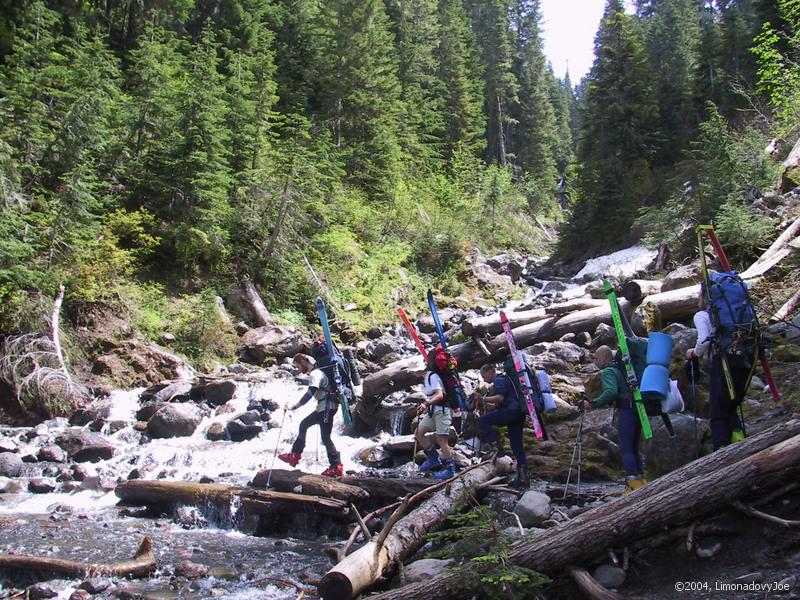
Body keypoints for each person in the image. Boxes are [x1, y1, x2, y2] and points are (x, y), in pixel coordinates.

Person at [686, 289, 748, 450]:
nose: (697, 300)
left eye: (698, 296)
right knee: (731, 404)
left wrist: (694, 353)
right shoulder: (731, 311)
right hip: (744, 357)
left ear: (705, 298)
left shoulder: (702, 315)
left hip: (722, 361)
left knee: (718, 409)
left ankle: (721, 450)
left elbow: (704, 341)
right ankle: (740, 442)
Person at [583, 345, 645, 493]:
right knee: (635, 447)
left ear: (605, 357)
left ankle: (633, 485)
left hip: (626, 410)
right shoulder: (623, 369)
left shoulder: (609, 371)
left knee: (626, 448)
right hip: (638, 408)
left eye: (597, 358)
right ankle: (642, 481)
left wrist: (594, 403)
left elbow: (611, 391)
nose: (596, 361)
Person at [278, 352, 343, 478]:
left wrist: (295, 406)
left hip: (326, 408)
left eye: (297, 366)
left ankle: (336, 466)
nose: (298, 369)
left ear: (303, 361)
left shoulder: (315, 374)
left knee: (325, 437)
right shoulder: (317, 372)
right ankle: (295, 455)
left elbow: (309, 394)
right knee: (304, 425)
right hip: (324, 407)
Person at [475, 362, 529, 489]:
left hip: (511, 413)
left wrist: (482, 398)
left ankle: (496, 446)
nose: (484, 380)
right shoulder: (505, 380)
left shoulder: (499, 380)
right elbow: (500, 403)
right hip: (518, 414)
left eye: (484, 376)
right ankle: (523, 479)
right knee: (517, 446)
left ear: (490, 372)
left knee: (482, 421)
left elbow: (499, 398)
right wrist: (489, 405)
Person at [415, 350, 457, 481]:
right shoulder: (425, 378)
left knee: (441, 439)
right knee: (419, 432)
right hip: (433, 411)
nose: (413, 373)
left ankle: (450, 470)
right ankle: (433, 459)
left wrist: (425, 404)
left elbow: (440, 395)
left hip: (442, 411)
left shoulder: (432, 376)